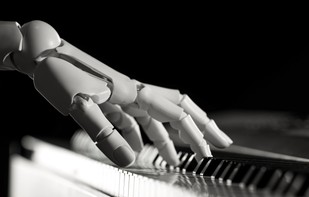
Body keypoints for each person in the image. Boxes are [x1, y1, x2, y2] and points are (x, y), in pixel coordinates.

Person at [0, 20, 233, 167]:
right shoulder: (41, 55)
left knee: (179, 110)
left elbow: (182, 106)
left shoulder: (42, 55)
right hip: (127, 95)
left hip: (134, 95)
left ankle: (210, 140)